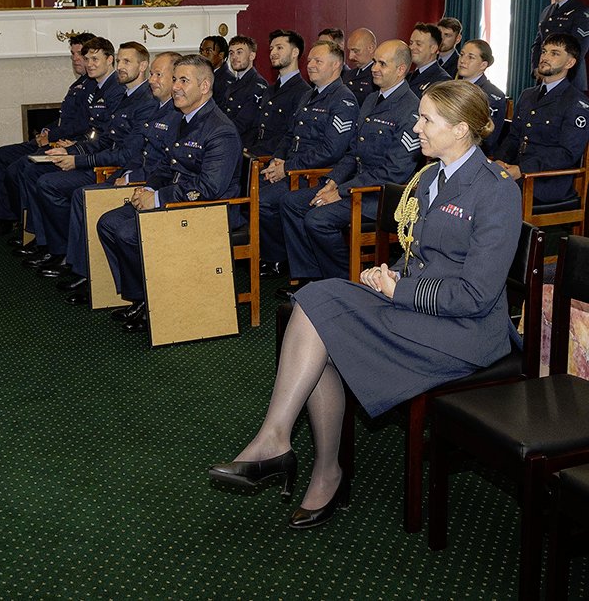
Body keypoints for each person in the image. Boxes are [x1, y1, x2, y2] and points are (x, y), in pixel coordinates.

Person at [208, 80, 521, 529]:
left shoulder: (495, 191)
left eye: (426, 120)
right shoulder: (430, 177)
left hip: (464, 333)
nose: (416, 128)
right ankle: (287, 446)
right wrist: (389, 274)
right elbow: (418, 251)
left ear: (460, 130)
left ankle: (314, 465)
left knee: (321, 329)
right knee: (315, 300)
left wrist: (401, 291)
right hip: (416, 306)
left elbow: (477, 295)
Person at [97, 55, 241, 332]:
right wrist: (149, 188)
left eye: (183, 81)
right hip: (176, 199)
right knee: (108, 223)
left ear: (205, 86)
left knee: (129, 233)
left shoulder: (220, 130)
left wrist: (160, 198)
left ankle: (154, 302)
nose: (175, 86)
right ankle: (144, 296)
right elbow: (166, 163)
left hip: (208, 211)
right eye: (174, 79)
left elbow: (209, 189)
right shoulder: (180, 119)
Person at [278, 40, 421, 292]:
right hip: (352, 186)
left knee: (317, 220)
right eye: (374, 61)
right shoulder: (371, 100)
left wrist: (342, 191)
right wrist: (333, 181)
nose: (374, 68)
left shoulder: (410, 109)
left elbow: (394, 172)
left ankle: (344, 282)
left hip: (380, 197)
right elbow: (352, 153)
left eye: (382, 63)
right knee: (291, 203)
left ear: (401, 70)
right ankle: (312, 277)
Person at [59, 51, 181, 304]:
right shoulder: (157, 107)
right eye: (153, 75)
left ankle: (101, 281)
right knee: (90, 203)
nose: (153, 80)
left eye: (160, 75)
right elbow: (137, 152)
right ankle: (92, 276)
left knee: (87, 199)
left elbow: (163, 164)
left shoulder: (174, 114)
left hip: (154, 187)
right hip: (133, 176)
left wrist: (134, 179)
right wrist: (126, 174)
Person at [25, 41, 154, 273]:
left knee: (51, 185)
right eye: (120, 60)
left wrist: (78, 160)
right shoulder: (127, 95)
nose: (121, 66)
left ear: (143, 65)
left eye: (127, 61)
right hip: (103, 162)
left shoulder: (145, 101)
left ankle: (68, 256)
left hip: (115, 169)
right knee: (39, 174)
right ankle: (61, 250)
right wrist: (70, 151)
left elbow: (125, 153)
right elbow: (104, 139)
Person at [13, 36, 125, 260]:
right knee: (31, 170)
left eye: (95, 59)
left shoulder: (116, 90)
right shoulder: (98, 87)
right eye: (87, 59)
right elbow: (93, 130)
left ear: (110, 60)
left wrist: (76, 149)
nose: (89, 63)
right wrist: (73, 146)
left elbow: (106, 137)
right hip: (85, 150)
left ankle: (61, 248)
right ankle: (46, 240)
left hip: (101, 163)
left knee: (44, 180)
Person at [257, 40, 357, 277]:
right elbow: (290, 135)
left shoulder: (343, 100)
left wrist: (288, 168)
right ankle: (281, 257)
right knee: (254, 191)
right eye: (310, 60)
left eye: (317, 61)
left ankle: (287, 262)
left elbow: (331, 150)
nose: (310, 65)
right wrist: (277, 160)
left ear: (335, 66)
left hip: (316, 175)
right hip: (294, 170)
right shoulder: (308, 96)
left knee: (267, 200)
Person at [0, 32, 95, 236]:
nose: (76, 58)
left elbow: (82, 125)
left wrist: (50, 137)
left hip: (67, 144)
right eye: (73, 53)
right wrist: (46, 130)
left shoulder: (94, 87)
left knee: (19, 168)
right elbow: (63, 118)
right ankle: (4, 217)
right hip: (53, 137)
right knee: (2, 155)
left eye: (81, 54)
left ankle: (25, 226)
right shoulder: (78, 85)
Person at [497, 32, 589, 205]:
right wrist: (500, 161)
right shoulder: (527, 95)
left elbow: (566, 154)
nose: (545, 57)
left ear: (570, 62)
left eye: (554, 53)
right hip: (517, 173)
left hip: (545, 182)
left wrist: (522, 170)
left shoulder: (576, 102)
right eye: (544, 51)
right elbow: (513, 138)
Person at [248, 30, 310, 156]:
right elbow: (257, 127)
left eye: (279, 48)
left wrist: (256, 152)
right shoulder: (270, 90)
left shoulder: (304, 92)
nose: (273, 53)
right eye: (271, 48)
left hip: (275, 160)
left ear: (295, 52)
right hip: (255, 156)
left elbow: (290, 135)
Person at [530, 0, 589, 91]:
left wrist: (557, 71)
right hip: (545, 78)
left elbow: (578, 49)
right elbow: (538, 44)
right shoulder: (547, 11)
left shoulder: (581, 11)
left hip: (569, 81)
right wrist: (536, 67)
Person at [455, 39, 507, 155]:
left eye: (471, 57)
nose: (463, 60)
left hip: (474, 154)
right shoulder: (452, 88)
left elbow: (487, 139)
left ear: (483, 65)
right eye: (462, 55)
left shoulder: (492, 95)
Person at [216, 35, 269, 148]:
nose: (234, 57)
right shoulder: (232, 83)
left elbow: (243, 122)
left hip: (244, 145)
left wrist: (217, 136)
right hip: (228, 140)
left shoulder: (258, 85)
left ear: (252, 56)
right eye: (231, 53)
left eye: (239, 52)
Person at [407, 23, 451, 97]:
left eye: (418, 44)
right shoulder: (407, 76)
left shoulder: (442, 81)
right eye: (411, 43)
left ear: (433, 48)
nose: (412, 47)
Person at [341, 28, 377, 104]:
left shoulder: (377, 75)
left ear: (371, 48)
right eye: (349, 51)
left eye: (356, 51)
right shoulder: (348, 74)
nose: (350, 57)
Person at [200, 35, 235, 104]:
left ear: (221, 55)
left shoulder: (228, 81)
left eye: (208, 51)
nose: (202, 55)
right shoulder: (201, 75)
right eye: (201, 51)